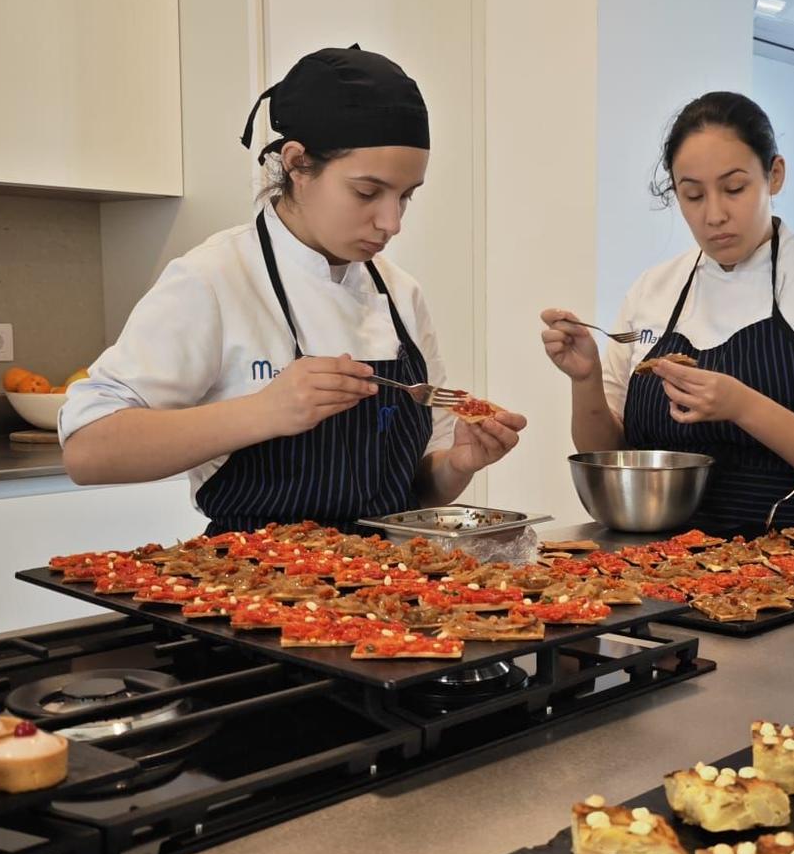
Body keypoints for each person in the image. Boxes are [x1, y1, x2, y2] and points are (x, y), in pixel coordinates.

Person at [60, 45, 524, 530]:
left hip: (391, 583)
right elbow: (89, 450)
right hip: (253, 587)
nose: (392, 223)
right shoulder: (214, 279)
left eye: (405, 196)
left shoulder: (399, 294)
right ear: (298, 164)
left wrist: (456, 466)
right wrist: (264, 412)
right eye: (367, 192)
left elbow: (417, 488)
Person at [540, 92, 794, 535]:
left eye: (734, 188)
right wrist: (586, 380)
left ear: (775, 175)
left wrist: (741, 405)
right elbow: (610, 453)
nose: (714, 215)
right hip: (662, 567)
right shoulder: (653, 290)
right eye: (692, 195)